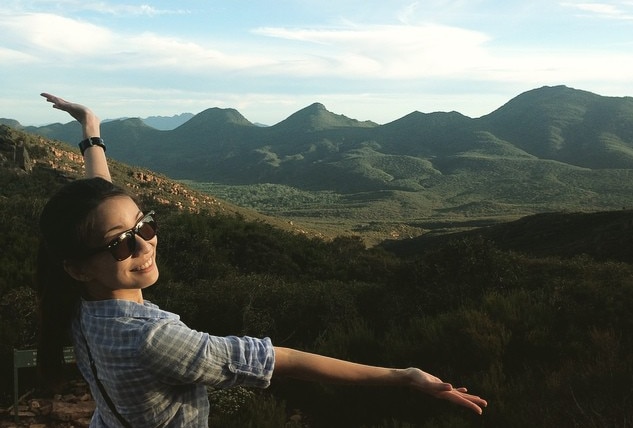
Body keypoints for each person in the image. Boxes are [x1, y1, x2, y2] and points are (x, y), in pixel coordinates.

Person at [36, 93, 488, 427]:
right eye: (122, 244)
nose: (144, 245)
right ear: (77, 265)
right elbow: (280, 359)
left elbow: (104, 205)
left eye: (146, 225)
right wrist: (403, 376)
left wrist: (91, 132)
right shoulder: (155, 340)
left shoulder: (76, 303)